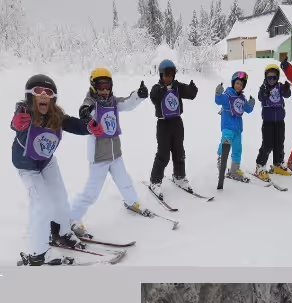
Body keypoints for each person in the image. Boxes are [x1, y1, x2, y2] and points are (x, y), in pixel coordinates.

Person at [11, 74, 98, 265]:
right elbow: (17, 121)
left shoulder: (56, 115)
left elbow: (73, 124)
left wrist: (89, 127)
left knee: (60, 199)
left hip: (47, 162)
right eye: (37, 92)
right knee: (42, 205)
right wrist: (16, 122)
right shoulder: (24, 111)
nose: (43, 95)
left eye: (48, 92)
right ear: (30, 96)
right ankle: (37, 254)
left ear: (53, 98)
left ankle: (62, 232)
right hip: (27, 166)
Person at [68, 68, 150, 237]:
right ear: (93, 86)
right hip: (99, 156)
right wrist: (85, 113)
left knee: (124, 180)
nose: (104, 91)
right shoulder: (92, 102)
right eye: (100, 87)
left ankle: (132, 202)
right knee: (92, 191)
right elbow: (85, 108)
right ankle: (73, 218)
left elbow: (127, 103)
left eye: (107, 86)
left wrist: (138, 95)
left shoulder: (112, 101)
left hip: (115, 153)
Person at [148, 59, 198, 198]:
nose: (168, 77)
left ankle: (179, 176)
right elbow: (154, 96)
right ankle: (155, 181)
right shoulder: (157, 87)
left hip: (177, 123)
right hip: (163, 124)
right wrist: (162, 89)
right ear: (161, 75)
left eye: (171, 74)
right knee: (163, 153)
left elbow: (189, 94)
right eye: (166, 74)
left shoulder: (177, 86)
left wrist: (192, 90)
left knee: (179, 151)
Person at [214, 72, 255, 182]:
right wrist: (218, 93)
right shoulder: (227, 95)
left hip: (238, 128)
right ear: (233, 83)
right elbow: (218, 100)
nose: (239, 86)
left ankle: (234, 170)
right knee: (226, 141)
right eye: (237, 83)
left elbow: (248, 109)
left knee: (237, 148)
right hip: (227, 125)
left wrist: (251, 104)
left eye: (241, 85)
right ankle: (221, 160)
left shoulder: (242, 98)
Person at [254, 63, 292, 180]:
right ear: (266, 77)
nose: (271, 80)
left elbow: (287, 95)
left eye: (274, 77)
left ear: (277, 77)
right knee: (267, 144)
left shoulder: (280, 86)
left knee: (279, 143)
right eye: (269, 77)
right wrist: (264, 91)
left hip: (280, 120)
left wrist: (287, 89)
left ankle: (278, 164)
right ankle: (260, 165)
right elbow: (261, 97)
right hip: (268, 121)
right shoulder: (264, 87)